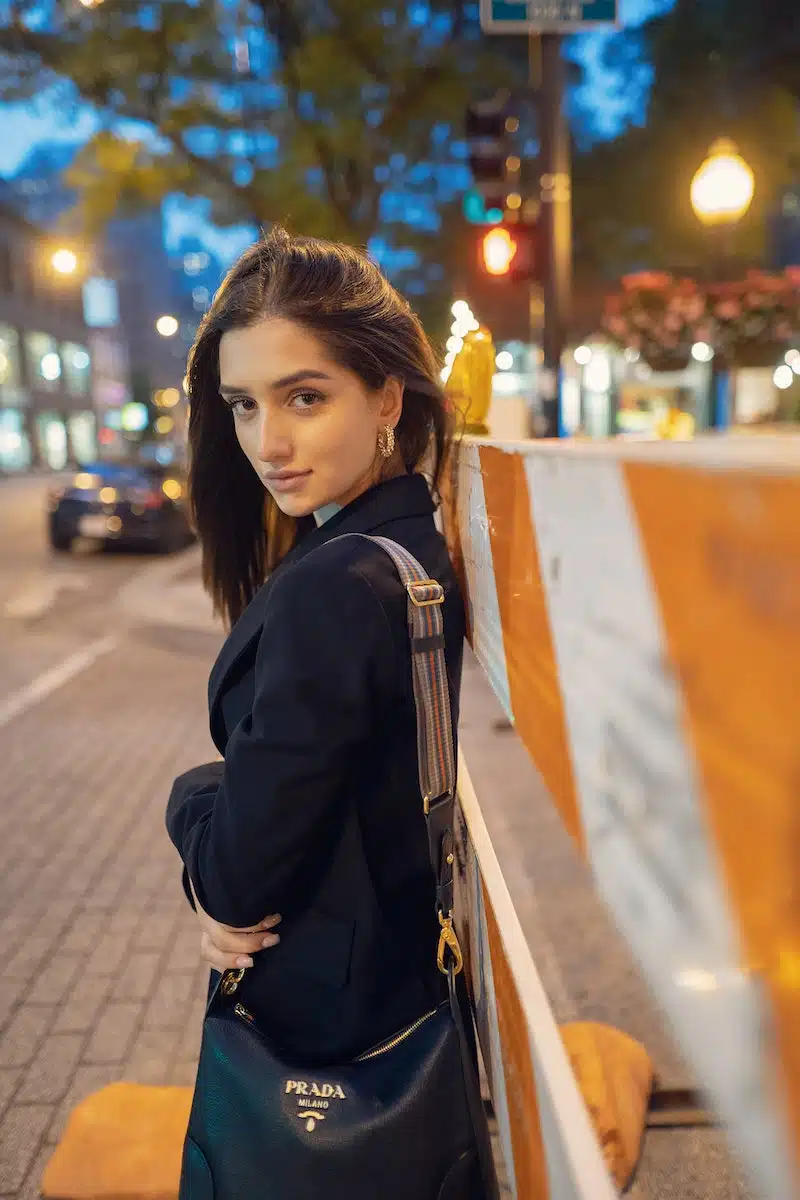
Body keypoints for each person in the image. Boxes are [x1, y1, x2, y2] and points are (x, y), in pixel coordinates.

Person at [165, 228, 491, 1197]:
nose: (268, 443)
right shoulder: (406, 548)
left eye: (304, 397)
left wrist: (188, 798)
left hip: (326, 1021)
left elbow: (235, 880)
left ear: (386, 397)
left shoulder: (334, 586)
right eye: (242, 405)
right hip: (396, 976)